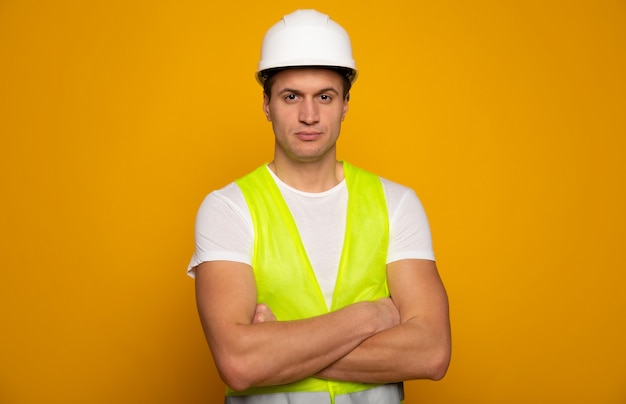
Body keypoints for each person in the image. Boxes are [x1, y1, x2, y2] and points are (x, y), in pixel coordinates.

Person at [188, 9, 451, 403]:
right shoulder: (227, 208)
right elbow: (240, 363)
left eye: (324, 97)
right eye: (291, 96)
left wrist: (278, 350)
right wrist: (372, 316)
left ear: (345, 104)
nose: (308, 116)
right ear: (266, 104)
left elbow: (431, 353)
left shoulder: (396, 204)